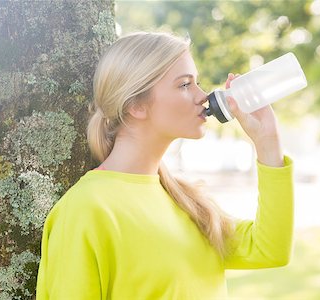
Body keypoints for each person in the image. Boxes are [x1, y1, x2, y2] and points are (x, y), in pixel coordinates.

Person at [36, 31, 293, 299]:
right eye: (184, 85)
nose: (202, 96)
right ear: (136, 105)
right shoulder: (86, 209)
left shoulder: (185, 200)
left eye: (197, 83)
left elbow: (270, 248)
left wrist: (268, 143)